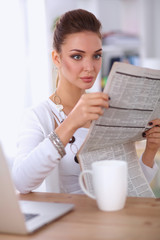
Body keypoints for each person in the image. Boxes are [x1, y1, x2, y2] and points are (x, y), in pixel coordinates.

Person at [12, 9, 160, 194]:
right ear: (57, 58)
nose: (90, 67)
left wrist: (150, 151)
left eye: (96, 55)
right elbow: (21, 182)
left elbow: (127, 189)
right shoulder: (38, 116)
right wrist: (72, 121)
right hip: (72, 222)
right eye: (77, 56)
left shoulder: (107, 108)